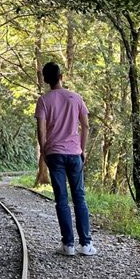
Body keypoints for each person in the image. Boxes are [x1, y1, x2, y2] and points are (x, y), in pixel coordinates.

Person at [35, 61, 97, 256]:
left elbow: (41, 130)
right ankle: (86, 244)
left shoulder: (44, 101)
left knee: (61, 199)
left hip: (54, 154)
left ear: (46, 80)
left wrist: (44, 151)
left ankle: (68, 245)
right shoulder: (76, 98)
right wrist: (82, 149)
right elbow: (86, 125)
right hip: (74, 153)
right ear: (61, 77)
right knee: (79, 197)